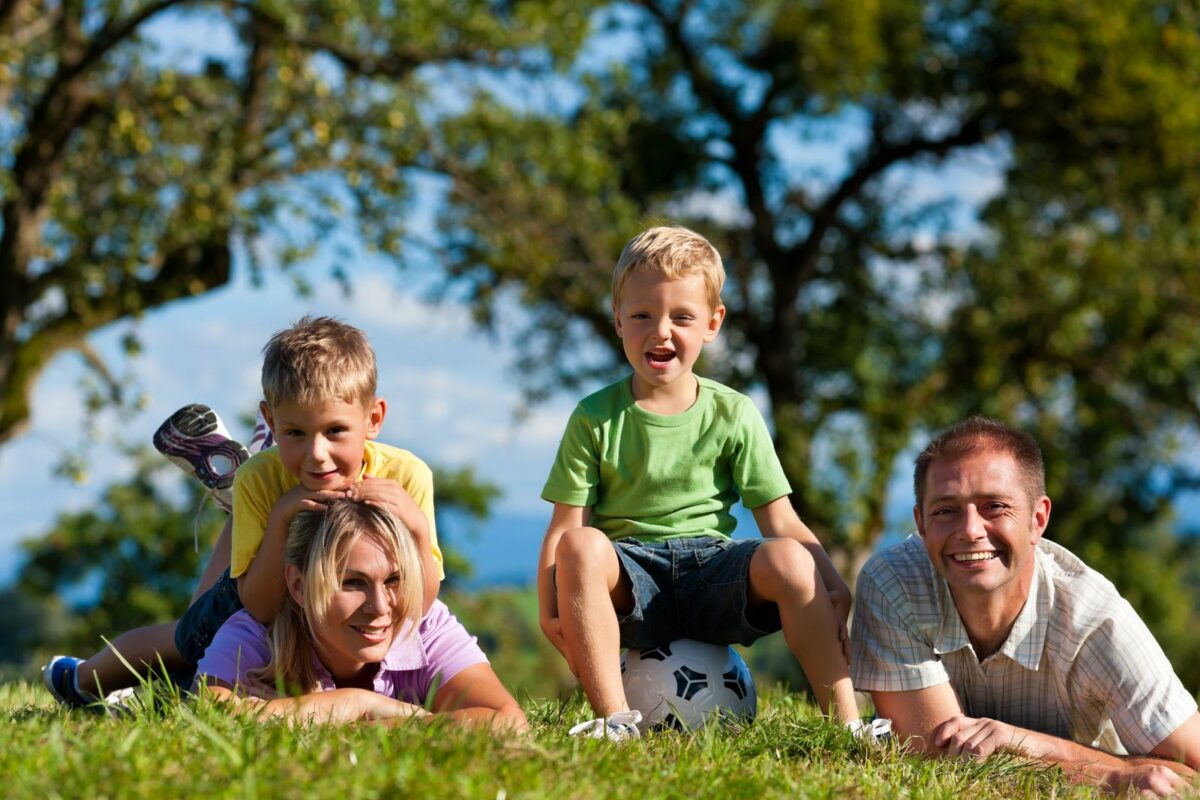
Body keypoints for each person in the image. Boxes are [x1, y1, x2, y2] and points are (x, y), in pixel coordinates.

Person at [538, 225, 861, 740]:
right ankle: (615, 722)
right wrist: (548, 609)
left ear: (713, 324)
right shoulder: (594, 417)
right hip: (632, 578)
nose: (660, 331)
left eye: (681, 317)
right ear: (618, 320)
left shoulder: (734, 413)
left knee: (791, 557)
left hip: (715, 573)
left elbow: (781, 520)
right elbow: (564, 528)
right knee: (580, 544)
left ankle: (848, 725)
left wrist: (832, 581)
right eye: (642, 315)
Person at [44, 316, 444, 709]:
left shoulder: (406, 476)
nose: (317, 454)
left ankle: (246, 485)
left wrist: (418, 529)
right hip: (266, 590)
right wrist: (281, 517)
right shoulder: (264, 482)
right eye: (295, 433)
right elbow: (258, 607)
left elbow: (420, 606)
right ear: (272, 419)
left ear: (373, 419)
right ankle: (78, 681)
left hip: (320, 612)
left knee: (185, 683)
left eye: (335, 431)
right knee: (186, 642)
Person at [851, 416, 1200, 796]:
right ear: (920, 522)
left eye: (995, 506)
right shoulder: (893, 583)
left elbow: (1193, 768)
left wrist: (1028, 744)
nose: (969, 530)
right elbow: (936, 756)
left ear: (1038, 519)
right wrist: (1110, 776)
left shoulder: (1096, 621)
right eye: (945, 511)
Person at [195, 500, 526, 731]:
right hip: (201, 643)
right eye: (353, 582)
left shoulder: (425, 627)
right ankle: (238, 504)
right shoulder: (256, 632)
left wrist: (352, 728)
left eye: (394, 580)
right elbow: (208, 715)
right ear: (298, 586)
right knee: (188, 635)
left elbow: (508, 723)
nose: (380, 607)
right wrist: (357, 704)